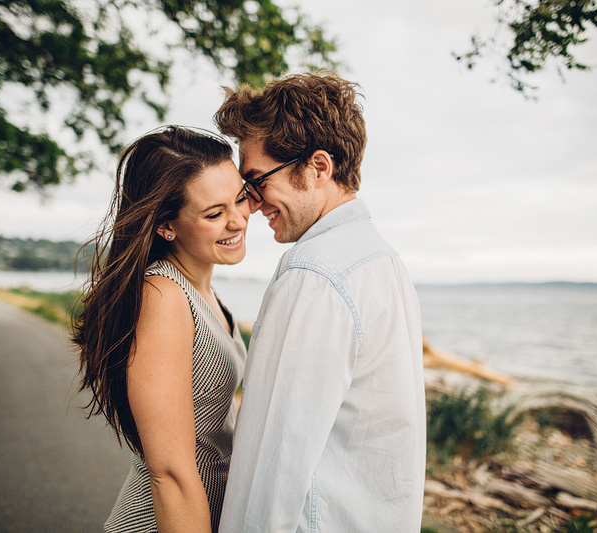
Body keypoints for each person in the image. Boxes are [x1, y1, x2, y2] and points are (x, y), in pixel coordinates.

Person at [214, 71, 426, 531]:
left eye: (256, 181)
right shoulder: (381, 260)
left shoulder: (314, 275)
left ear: (318, 168)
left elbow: (271, 462)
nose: (249, 204)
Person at [72, 126, 249, 533]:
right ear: (167, 226)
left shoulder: (204, 291)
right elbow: (168, 471)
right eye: (214, 213)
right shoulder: (163, 296)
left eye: (240, 198)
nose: (237, 220)